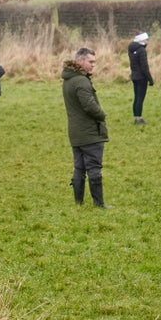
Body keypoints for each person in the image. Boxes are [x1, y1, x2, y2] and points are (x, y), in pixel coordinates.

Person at [62, 46, 109, 207]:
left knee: (79, 168)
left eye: (94, 62)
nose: (93, 65)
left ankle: (78, 202)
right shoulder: (81, 81)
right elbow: (89, 106)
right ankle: (99, 203)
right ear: (80, 61)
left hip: (75, 133)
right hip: (89, 133)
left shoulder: (68, 80)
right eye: (90, 62)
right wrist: (102, 115)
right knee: (94, 168)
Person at [128, 32, 154, 124]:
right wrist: (150, 79)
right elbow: (144, 67)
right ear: (142, 40)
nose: (147, 41)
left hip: (134, 76)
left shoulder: (131, 48)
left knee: (136, 98)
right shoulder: (142, 50)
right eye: (146, 40)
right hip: (142, 78)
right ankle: (139, 118)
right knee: (140, 98)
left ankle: (136, 117)